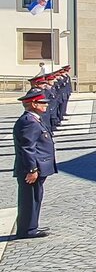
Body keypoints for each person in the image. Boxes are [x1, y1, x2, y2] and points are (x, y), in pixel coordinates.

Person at [13, 88, 59, 239]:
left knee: (35, 197)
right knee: (30, 199)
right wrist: (32, 169)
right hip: (32, 169)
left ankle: (31, 226)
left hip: (37, 167)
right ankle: (28, 230)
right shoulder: (29, 122)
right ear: (33, 104)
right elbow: (28, 148)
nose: (46, 105)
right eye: (42, 103)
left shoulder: (33, 119)